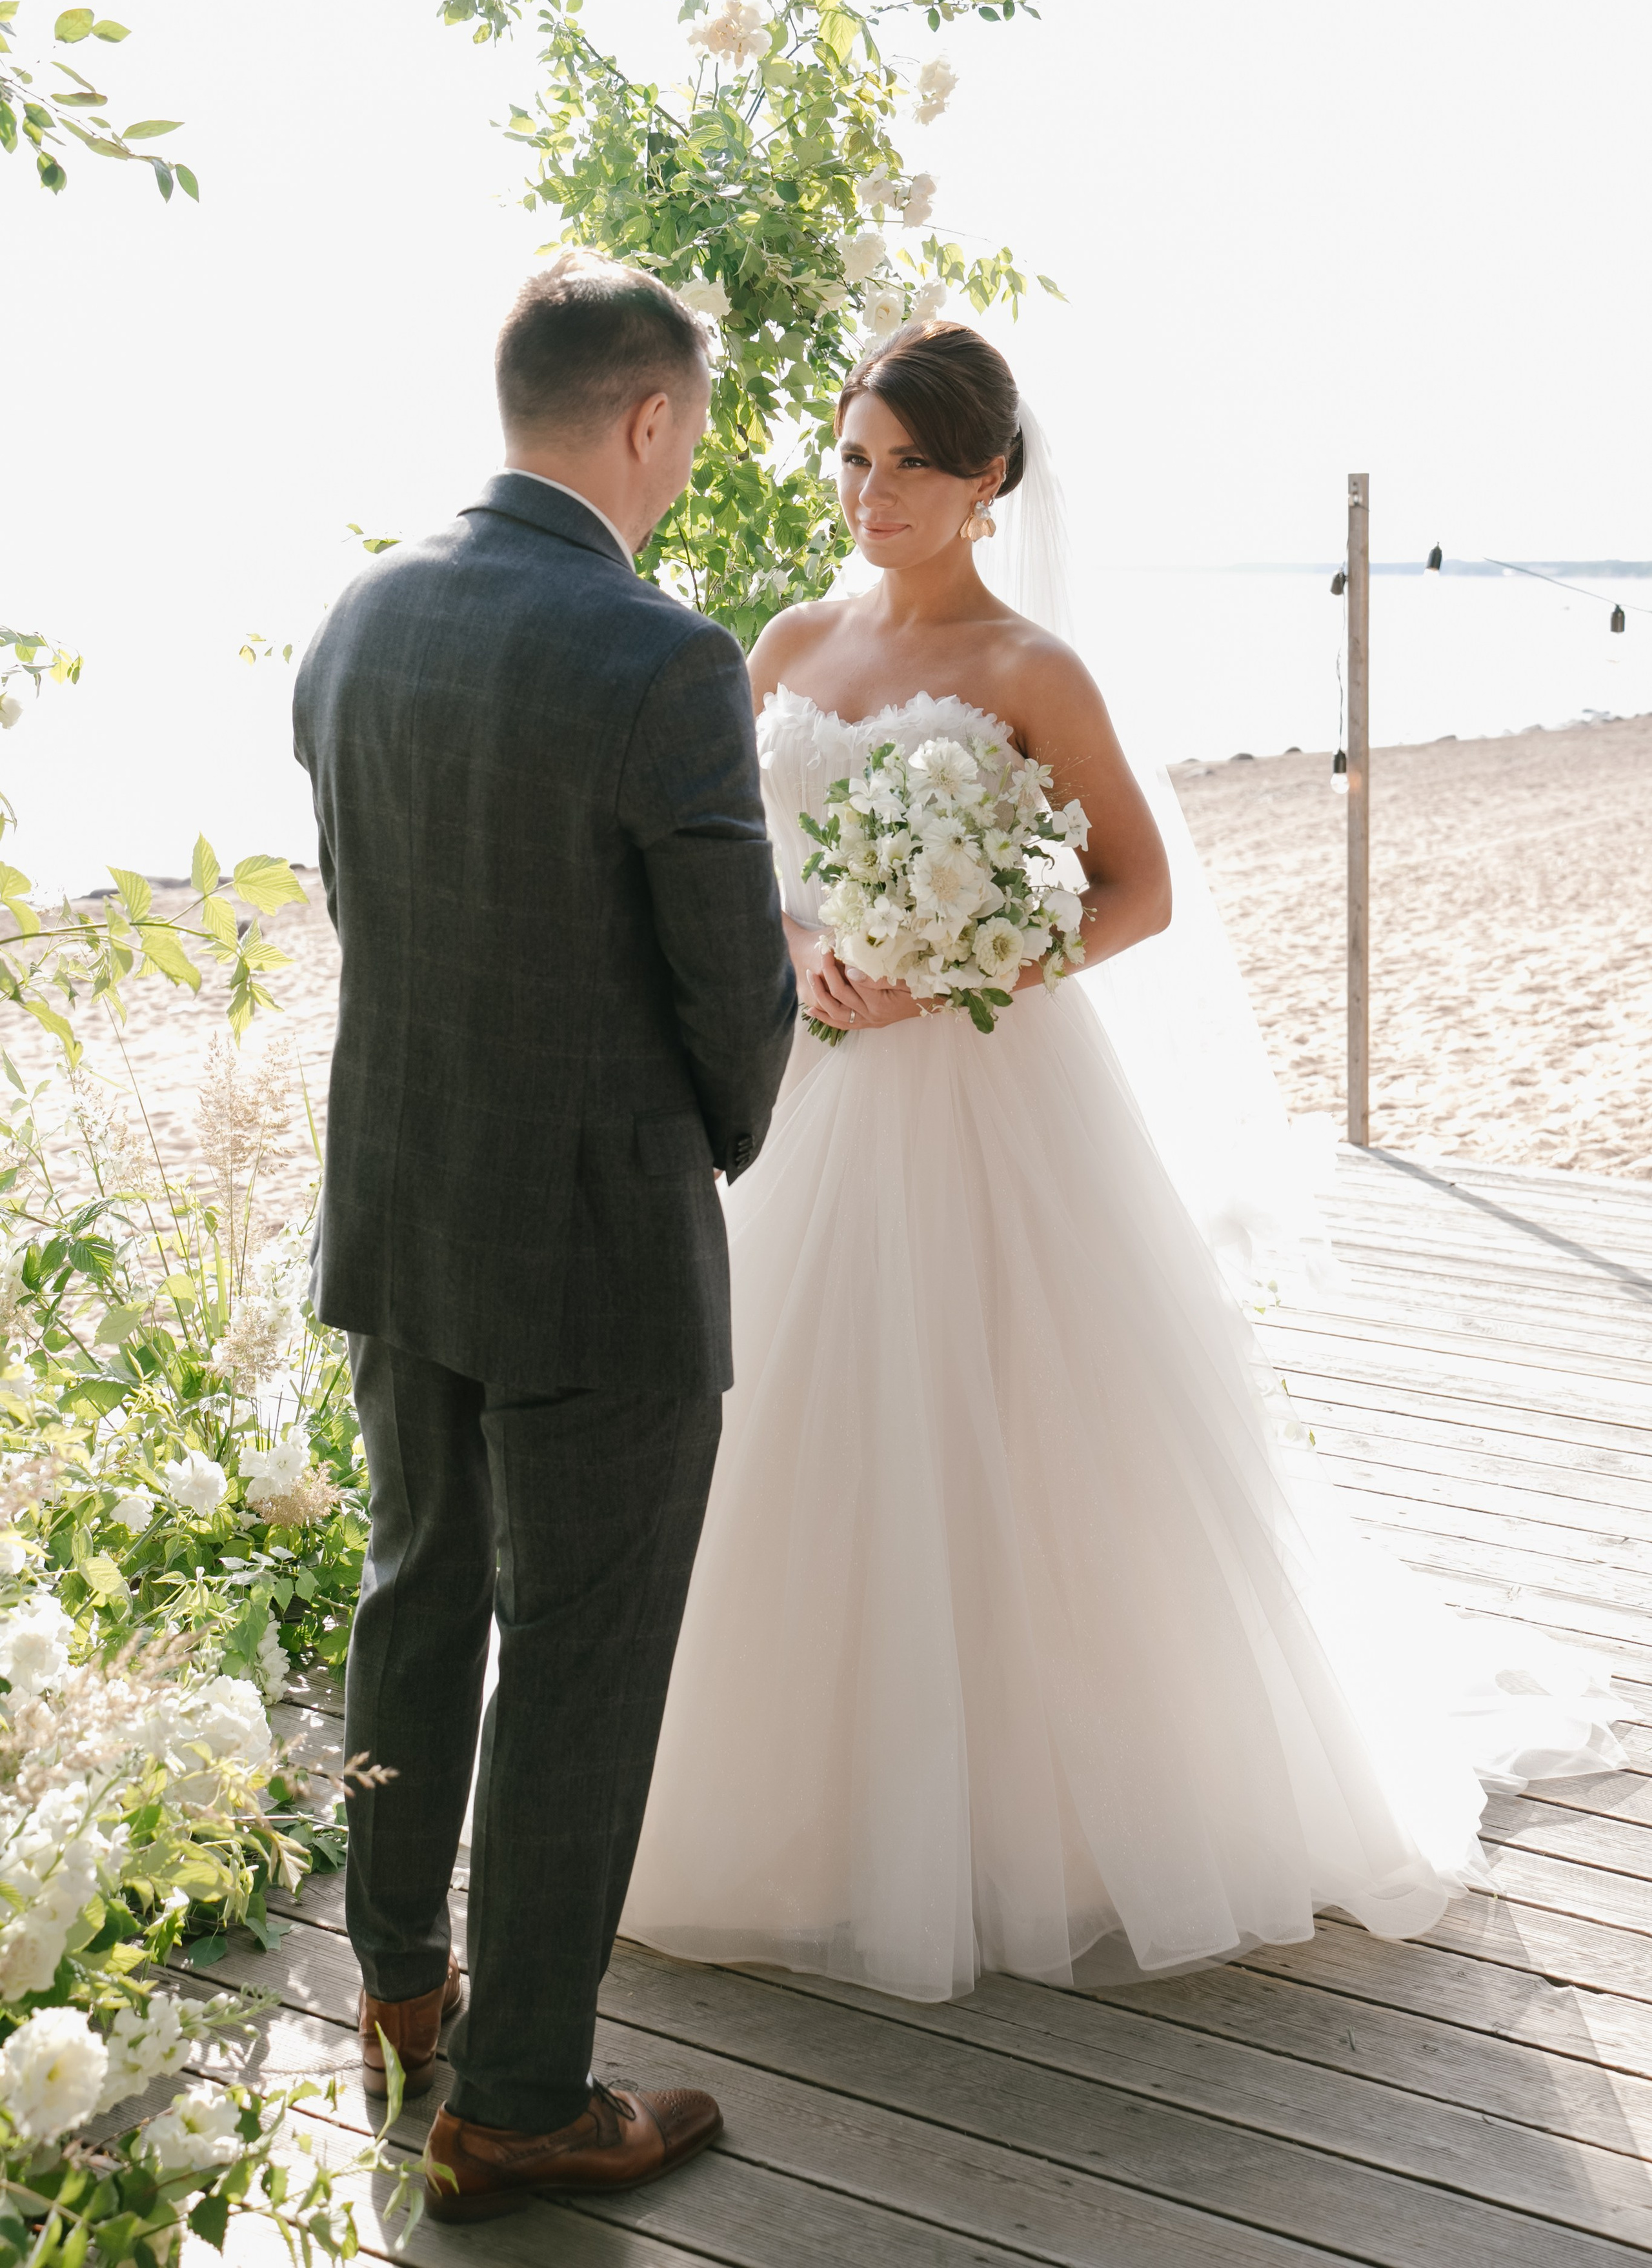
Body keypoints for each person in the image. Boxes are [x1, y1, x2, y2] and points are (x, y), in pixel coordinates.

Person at [619, 319, 1627, 2003]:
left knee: (1015, 1417)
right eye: (856, 458)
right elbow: (737, 859)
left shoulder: (1033, 671)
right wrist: (803, 953)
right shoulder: (789, 639)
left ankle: (1046, 1801)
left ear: (990, 481)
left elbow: (1134, 893)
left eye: (913, 467)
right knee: (776, 1410)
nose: (874, 494)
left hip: (990, 1091)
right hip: (814, 1081)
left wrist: (955, 965)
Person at [292, 253, 796, 2217]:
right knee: (583, 1656)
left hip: (405, 1197)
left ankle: (406, 1992)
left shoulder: (359, 615)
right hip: (595, 1234)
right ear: (650, 421)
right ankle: (522, 2098)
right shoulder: (665, 658)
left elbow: (366, 896)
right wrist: (723, 1148)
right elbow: (730, 993)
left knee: (417, 1586)